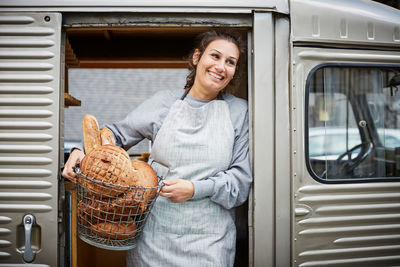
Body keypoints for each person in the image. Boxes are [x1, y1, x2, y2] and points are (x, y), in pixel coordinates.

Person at [62, 30, 252, 267]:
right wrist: (81, 151)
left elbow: (240, 182)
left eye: (230, 62)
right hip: (155, 240)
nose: (221, 67)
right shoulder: (164, 103)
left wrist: (195, 189)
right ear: (197, 58)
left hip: (210, 242)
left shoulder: (239, 112)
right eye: (215, 56)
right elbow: (116, 135)